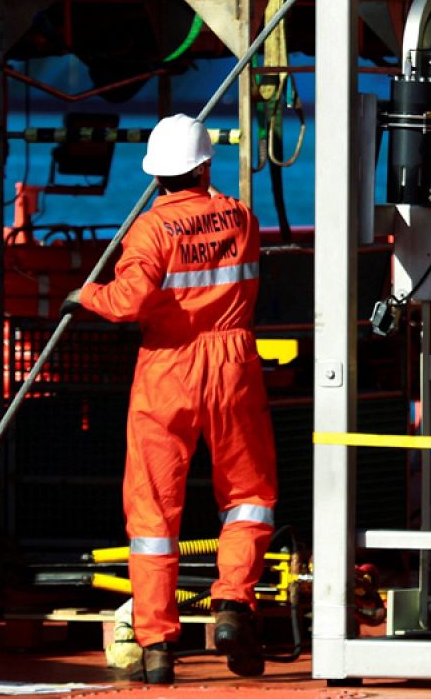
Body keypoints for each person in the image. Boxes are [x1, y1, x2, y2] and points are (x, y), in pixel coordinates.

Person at [62, 115, 276, 684]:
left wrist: (87, 294)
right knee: (249, 495)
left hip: (167, 369)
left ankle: (158, 647)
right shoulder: (241, 217)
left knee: (154, 512)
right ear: (205, 165)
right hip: (233, 364)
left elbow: (129, 299)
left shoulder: (151, 230)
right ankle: (232, 602)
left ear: (156, 175)